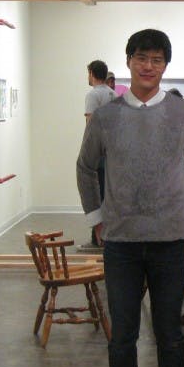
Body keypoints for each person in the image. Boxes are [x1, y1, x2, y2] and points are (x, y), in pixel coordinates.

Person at [76, 28, 184, 367]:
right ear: (129, 62)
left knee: (170, 335)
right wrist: (97, 217)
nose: (148, 66)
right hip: (121, 243)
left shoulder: (183, 114)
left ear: (165, 65)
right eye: (141, 58)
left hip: (170, 241)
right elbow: (85, 167)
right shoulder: (107, 116)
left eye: (156, 59)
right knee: (123, 337)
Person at [78, 60, 116, 252]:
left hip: (98, 153)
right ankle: (105, 236)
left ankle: (97, 238)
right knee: (106, 192)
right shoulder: (113, 94)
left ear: (92, 73)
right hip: (111, 152)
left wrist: (88, 150)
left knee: (95, 191)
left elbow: (91, 123)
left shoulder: (93, 94)